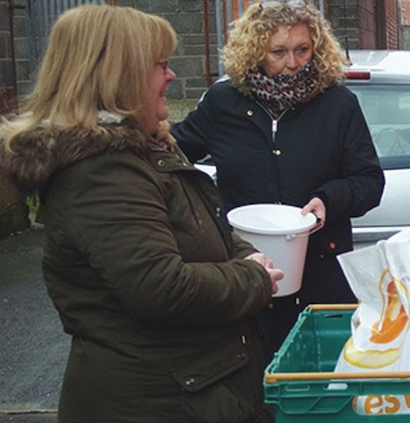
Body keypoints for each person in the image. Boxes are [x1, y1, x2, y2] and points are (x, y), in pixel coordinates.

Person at [0, 5, 283, 422]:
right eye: (161, 65)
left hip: (194, 389)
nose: (171, 76)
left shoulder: (147, 147)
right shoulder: (102, 171)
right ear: (120, 73)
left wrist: (242, 253)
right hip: (154, 401)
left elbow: (207, 227)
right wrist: (252, 277)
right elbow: (161, 288)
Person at [171, 0, 385, 352]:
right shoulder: (223, 102)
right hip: (243, 272)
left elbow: (368, 181)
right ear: (255, 51)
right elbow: (172, 156)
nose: (293, 63)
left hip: (320, 270)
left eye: (302, 49)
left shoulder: (338, 104)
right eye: (279, 52)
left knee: (316, 379)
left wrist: (328, 201)